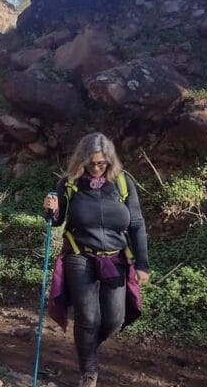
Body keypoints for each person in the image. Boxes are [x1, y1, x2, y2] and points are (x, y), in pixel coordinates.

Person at [42, 132, 150, 387]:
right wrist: (50, 210)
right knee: (88, 318)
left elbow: (136, 223)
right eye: (91, 163)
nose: (97, 168)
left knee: (113, 320)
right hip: (79, 257)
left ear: (110, 160)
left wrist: (142, 264)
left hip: (115, 258)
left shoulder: (123, 182)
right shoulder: (70, 183)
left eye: (102, 163)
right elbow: (56, 220)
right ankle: (88, 372)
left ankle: (86, 346)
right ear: (82, 160)